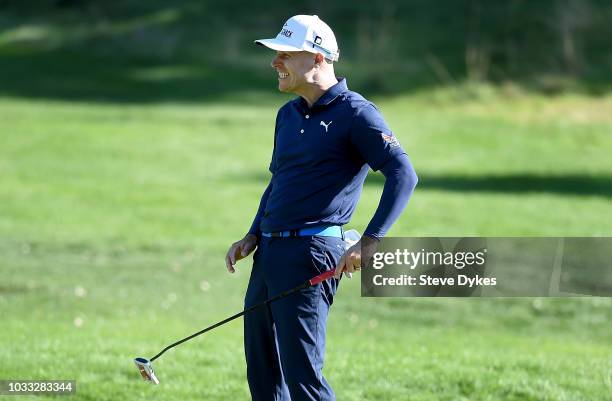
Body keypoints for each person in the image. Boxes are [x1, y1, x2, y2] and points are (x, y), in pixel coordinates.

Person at [224, 14, 418, 401]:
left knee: (303, 378)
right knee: (262, 372)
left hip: (312, 253)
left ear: (317, 58)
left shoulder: (356, 113)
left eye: (285, 54)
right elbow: (279, 180)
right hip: (270, 251)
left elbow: (403, 174)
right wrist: (253, 232)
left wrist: (370, 240)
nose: (275, 62)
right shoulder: (287, 115)